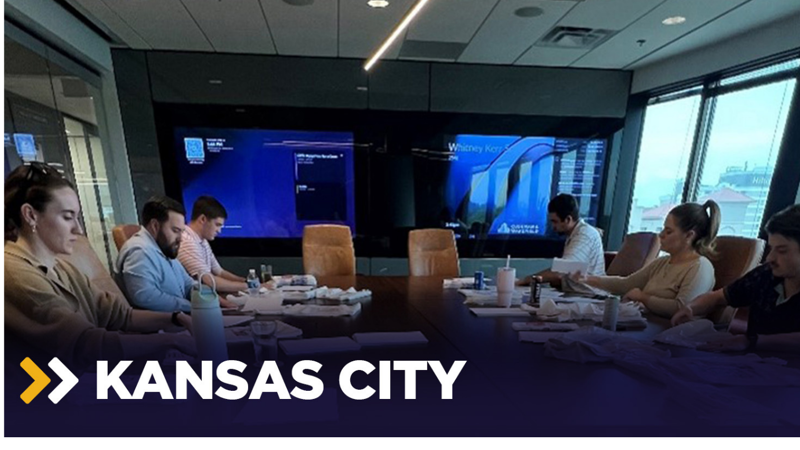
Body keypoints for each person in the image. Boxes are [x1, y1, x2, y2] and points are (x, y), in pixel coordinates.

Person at [4, 163, 195, 371]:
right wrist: (170, 341)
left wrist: (176, 319)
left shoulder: (62, 268)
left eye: (77, 217)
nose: (78, 229)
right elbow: (87, 344)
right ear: (30, 215)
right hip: (51, 388)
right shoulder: (13, 273)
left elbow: (121, 315)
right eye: (67, 217)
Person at [672, 205, 800, 353]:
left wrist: (751, 341)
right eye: (771, 249)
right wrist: (691, 308)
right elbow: (718, 297)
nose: (770, 258)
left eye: (782, 251)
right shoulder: (765, 275)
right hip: (753, 361)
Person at [577, 201, 720, 318]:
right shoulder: (662, 262)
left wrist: (643, 297)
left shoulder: (700, 267)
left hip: (673, 334)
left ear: (689, 235)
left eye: (668, 231)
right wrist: (587, 279)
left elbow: (682, 308)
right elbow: (626, 284)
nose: (661, 235)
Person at [114, 195, 237, 312]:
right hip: (162, 324)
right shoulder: (139, 251)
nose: (180, 238)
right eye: (175, 231)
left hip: (182, 318)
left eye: (181, 231)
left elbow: (188, 284)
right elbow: (145, 297)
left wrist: (213, 299)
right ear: (155, 226)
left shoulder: (163, 248)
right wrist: (193, 307)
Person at [521, 193, 605, 287]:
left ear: (568, 219)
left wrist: (525, 280)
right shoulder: (576, 233)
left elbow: (562, 270)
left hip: (588, 294)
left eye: (555, 221)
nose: (553, 227)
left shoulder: (584, 235)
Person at [178, 196, 249, 294]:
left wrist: (245, 281)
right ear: (203, 219)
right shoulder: (187, 241)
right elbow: (209, 281)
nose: (219, 231)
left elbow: (219, 272)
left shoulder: (202, 240)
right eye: (217, 225)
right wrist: (248, 286)